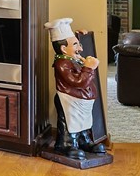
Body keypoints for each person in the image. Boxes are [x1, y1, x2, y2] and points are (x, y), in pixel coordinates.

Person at [44, 18, 106, 159]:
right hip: (69, 99)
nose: (80, 48)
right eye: (76, 44)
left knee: (83, 122)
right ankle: (65, 144)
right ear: (63, 49)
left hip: (81, 99)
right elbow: (78, 82)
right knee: (68, 123)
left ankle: (84, 141)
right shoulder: (62, 64)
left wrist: (80, 35)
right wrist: (89, 68)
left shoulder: (73, 58)